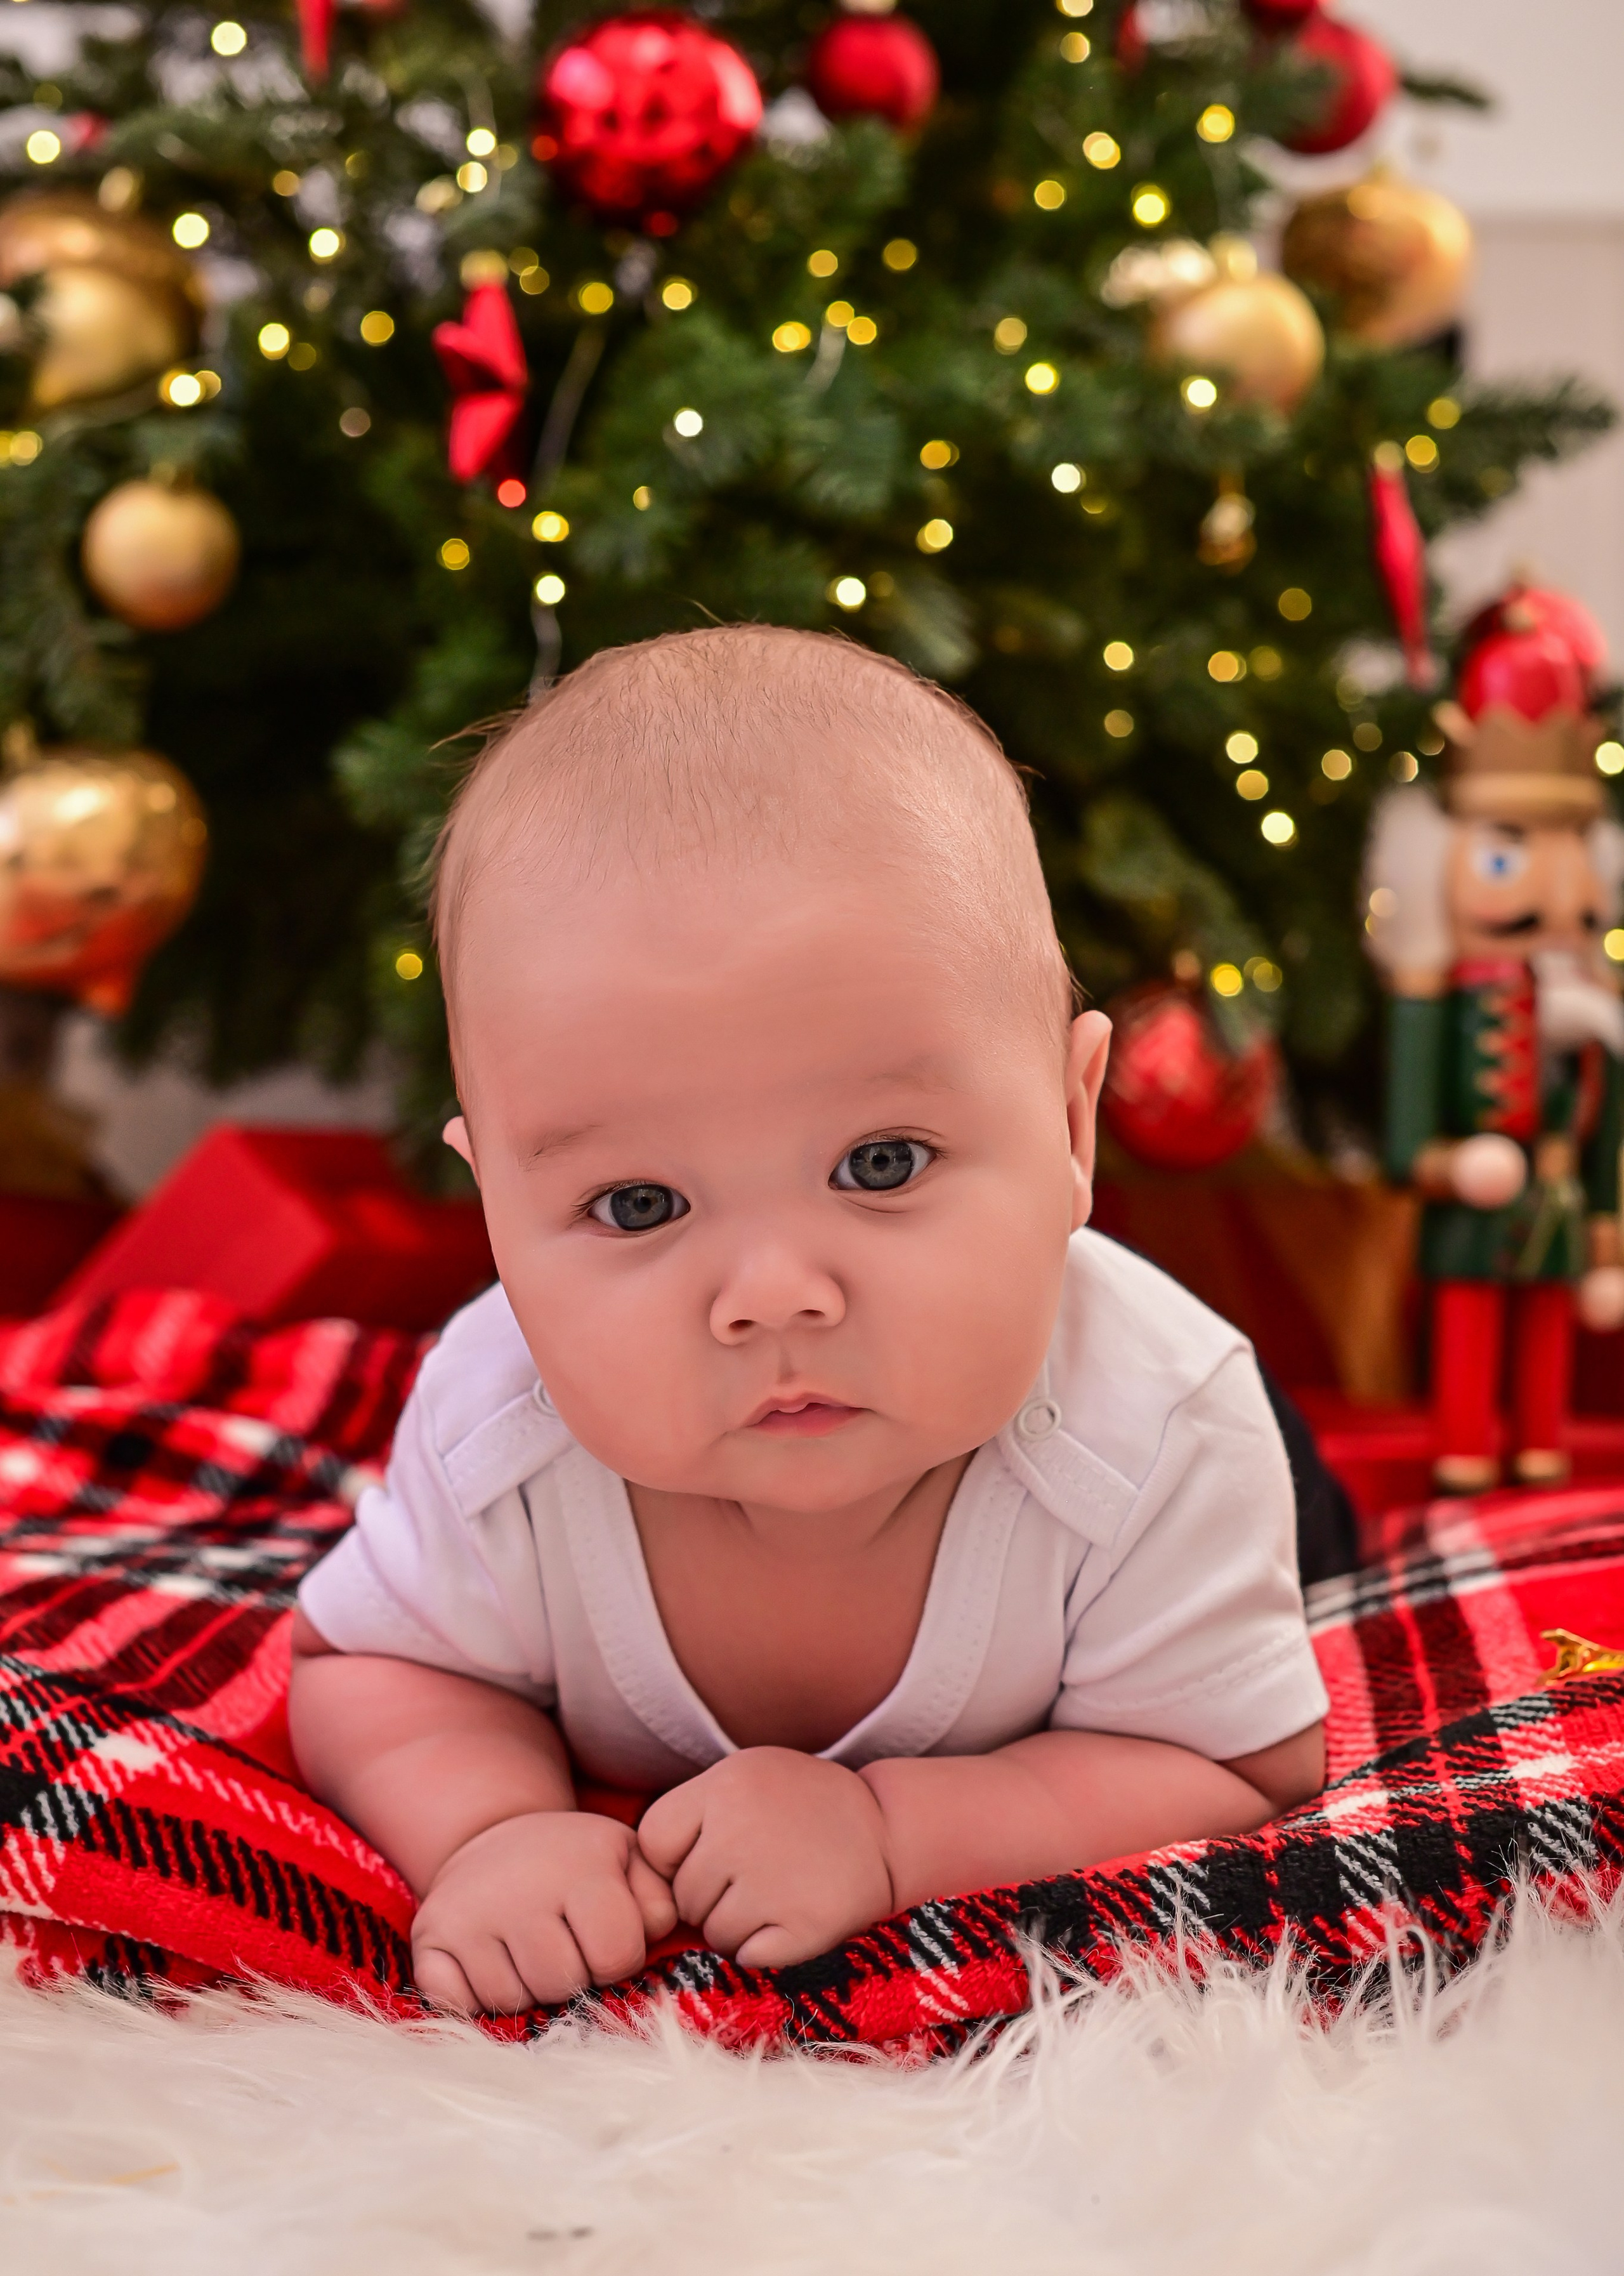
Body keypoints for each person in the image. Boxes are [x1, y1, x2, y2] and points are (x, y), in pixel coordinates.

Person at [290, 626, 1328, 2015]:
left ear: (1072, 1124)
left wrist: (895, 1833)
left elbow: (1236, 1761)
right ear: (493, 1214)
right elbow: (372, 1668)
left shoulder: (1158, 1427)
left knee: (1305, 1533)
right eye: (639, 1203)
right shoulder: (502, 1428)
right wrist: (490, 1830)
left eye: (880, 1164)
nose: (774, 1293)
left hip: (1236, 1490)